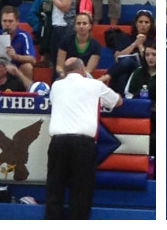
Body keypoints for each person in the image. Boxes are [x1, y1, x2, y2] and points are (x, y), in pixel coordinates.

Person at [45, 57, 121, 219]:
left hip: (58, 142)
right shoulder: (94, 85)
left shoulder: (56, 86)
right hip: (83, 144)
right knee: (81, 192)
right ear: (83, 70)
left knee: (54, 189)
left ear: (65, 72)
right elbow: (117, 102)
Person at [55, 12, 102, 78]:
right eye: (78, 23)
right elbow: (59, 66)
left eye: (84, 23)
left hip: (84, 77)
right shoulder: (65, 41)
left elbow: (89, 70)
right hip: (66, 76)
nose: (81, 26)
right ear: (75, 26)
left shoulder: (96, 45)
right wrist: (63, 75)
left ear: (90, 26)